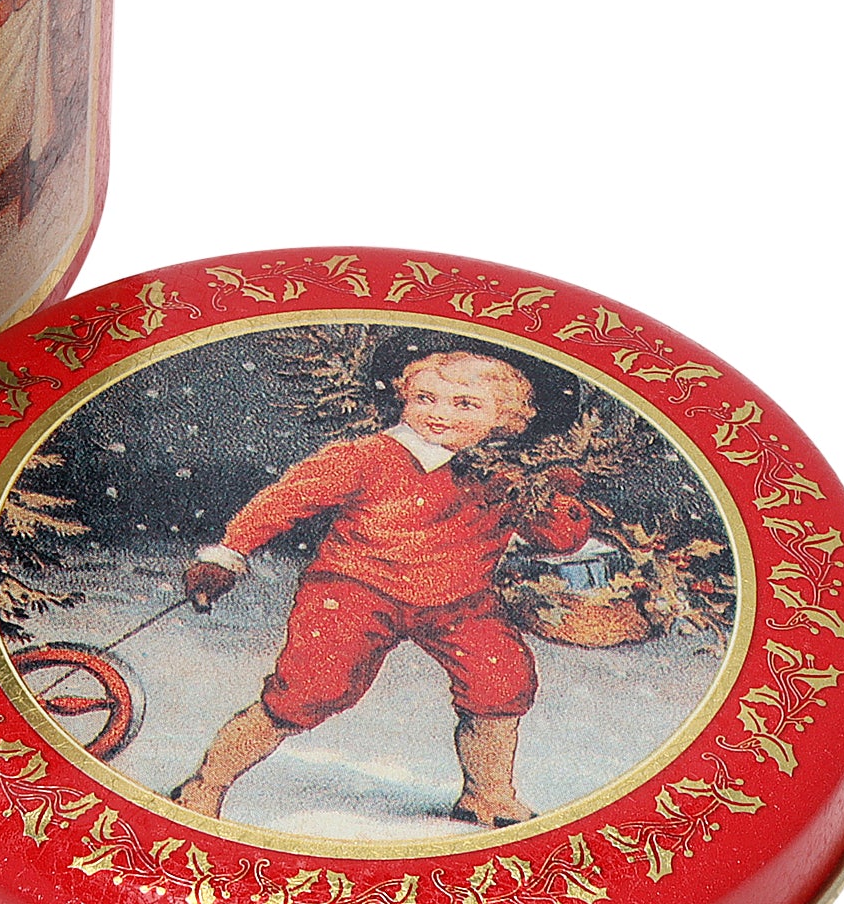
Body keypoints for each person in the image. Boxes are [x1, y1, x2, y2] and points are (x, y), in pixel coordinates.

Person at [172, 351, 595, 827]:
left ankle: (488, 795)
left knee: (501, 677)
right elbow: (286, 500)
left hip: (460, 598)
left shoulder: (509, 478)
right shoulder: (368, 457)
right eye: (425, 398)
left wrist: (556, 500)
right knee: (311, 688)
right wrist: (228, 553)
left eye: (465, 404)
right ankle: (204, 785)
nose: (439, 413)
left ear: (509, 419)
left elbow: (558, 539)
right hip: (355, 588)